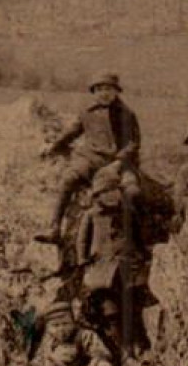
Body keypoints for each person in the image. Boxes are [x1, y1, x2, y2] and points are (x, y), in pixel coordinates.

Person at [36, 73, 141, 245]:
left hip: (119, 161)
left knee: (132, 192)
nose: (104, 93)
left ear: (116, 91)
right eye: (99, 89)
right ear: (93, 92)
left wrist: (118, 163)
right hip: (92, 158)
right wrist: (54, 146)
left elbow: (133, 143)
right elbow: (73, 131)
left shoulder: (126, 114)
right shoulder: (87, 112)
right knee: (68, 179)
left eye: (108, 89)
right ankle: (54, 228)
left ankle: (134, 241)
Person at [75, 165, 150, 355]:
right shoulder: (91, 215)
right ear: (97, 196)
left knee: (133, 305)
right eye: (105, 192)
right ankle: (123, 349)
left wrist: (143, 254)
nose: (110, 196)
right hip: (102, 267)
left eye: (114, 191)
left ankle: (140, 344)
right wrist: (83, 260)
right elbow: (82, 239)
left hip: (128, 265)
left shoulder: (127, 211)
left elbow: (138, 234)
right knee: (110, 309)